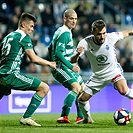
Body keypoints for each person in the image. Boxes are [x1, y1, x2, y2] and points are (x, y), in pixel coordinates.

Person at [0, 12, 56, 126]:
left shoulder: (7, 37)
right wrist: (50, 63)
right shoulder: (23, 37)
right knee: (44, 88)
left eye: (33, 26)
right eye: (30, 26)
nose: (32, 29)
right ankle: (26, 117)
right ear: (23, 25)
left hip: (1, 74)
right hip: (11, 75)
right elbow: (34, 59)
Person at [73, 19, 133, 124]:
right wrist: (77, 54)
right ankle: (87, 119)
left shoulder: (111, 37)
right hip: (98, 76)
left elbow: (127, 32)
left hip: (113, 71)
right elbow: (73, 60)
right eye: (99, 34)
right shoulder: (85, 42)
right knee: (81, 99)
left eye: (104, 33)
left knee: (123, 90)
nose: (102, 37)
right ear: (93, 33)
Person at [48, 9, 86, 123]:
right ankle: (63, 116)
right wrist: (70, 66)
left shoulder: (63, 31)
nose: (74, 21)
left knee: (82, 89)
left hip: (64, 66)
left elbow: (50, 47)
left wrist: (77, 53)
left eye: (75, 19)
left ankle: (80, 117)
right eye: (71, 18)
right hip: (61, 67)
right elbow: (58, 53)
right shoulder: (64, 33)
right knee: (76, 88)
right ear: (65, 19)